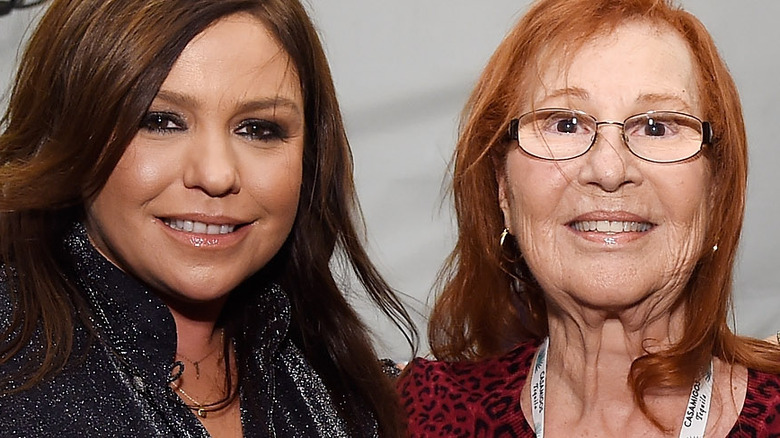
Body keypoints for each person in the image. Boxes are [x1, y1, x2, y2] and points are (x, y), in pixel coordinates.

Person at [0, 0, 416, 436]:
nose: (216, 175)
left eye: (258, 128)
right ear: (67, 133)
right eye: (160, 121)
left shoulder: (342, 386)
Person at [399, 0, 780, 436]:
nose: (609, 170)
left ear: (715, 193)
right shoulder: (415, 416)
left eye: (656, 126)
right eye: (564, 123)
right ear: (503, 188)